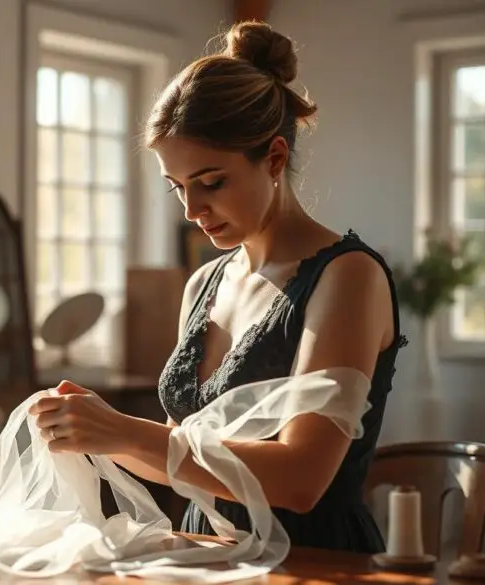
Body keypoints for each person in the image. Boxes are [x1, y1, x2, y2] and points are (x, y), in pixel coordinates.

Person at [28, 19, 406, 554]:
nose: (191, 209)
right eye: (177, 187)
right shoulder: (205, 283)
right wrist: (94, 430)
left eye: (211, 182)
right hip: (210, 557)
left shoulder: (347, 277)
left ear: (274, 158)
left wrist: (127, 433)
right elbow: (179, 464)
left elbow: (302, 479)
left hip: (314, 562)